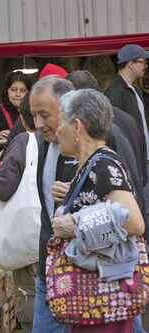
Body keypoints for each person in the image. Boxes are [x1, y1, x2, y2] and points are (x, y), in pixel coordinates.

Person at [53, 89, 145, 333]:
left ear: (77, 126)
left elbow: (134, 223)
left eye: (61, 121)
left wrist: (75, 225)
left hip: (103, 300)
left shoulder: (104, 165)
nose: (57, 130)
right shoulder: (92, 164)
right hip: (95, 299)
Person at [67, 70, 147, 238]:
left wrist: (76, 224)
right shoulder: (126, 119)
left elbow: (130, 221)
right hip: (138, 197)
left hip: (114, 249)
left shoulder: (101, 142)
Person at [30, 76, 77, 333]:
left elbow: (129, 213)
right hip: (49, 266)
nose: (38, 124)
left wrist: (81, 195)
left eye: (44, 115)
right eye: (33, 115)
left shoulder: (101, 141)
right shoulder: (43, 143)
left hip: (90, 270)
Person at [0, 93, 36, 332]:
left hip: (29, 236)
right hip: (52, 234)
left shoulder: (24, 141)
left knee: (29, 294)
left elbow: (3, 187)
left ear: (22, 115)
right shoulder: (63, 139)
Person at [105, 44, 149, 221]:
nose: (145, 66)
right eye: (142, 62)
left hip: (143, 157)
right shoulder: (114, 92)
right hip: (130, 161)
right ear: (130, 63)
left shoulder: (136, 90)